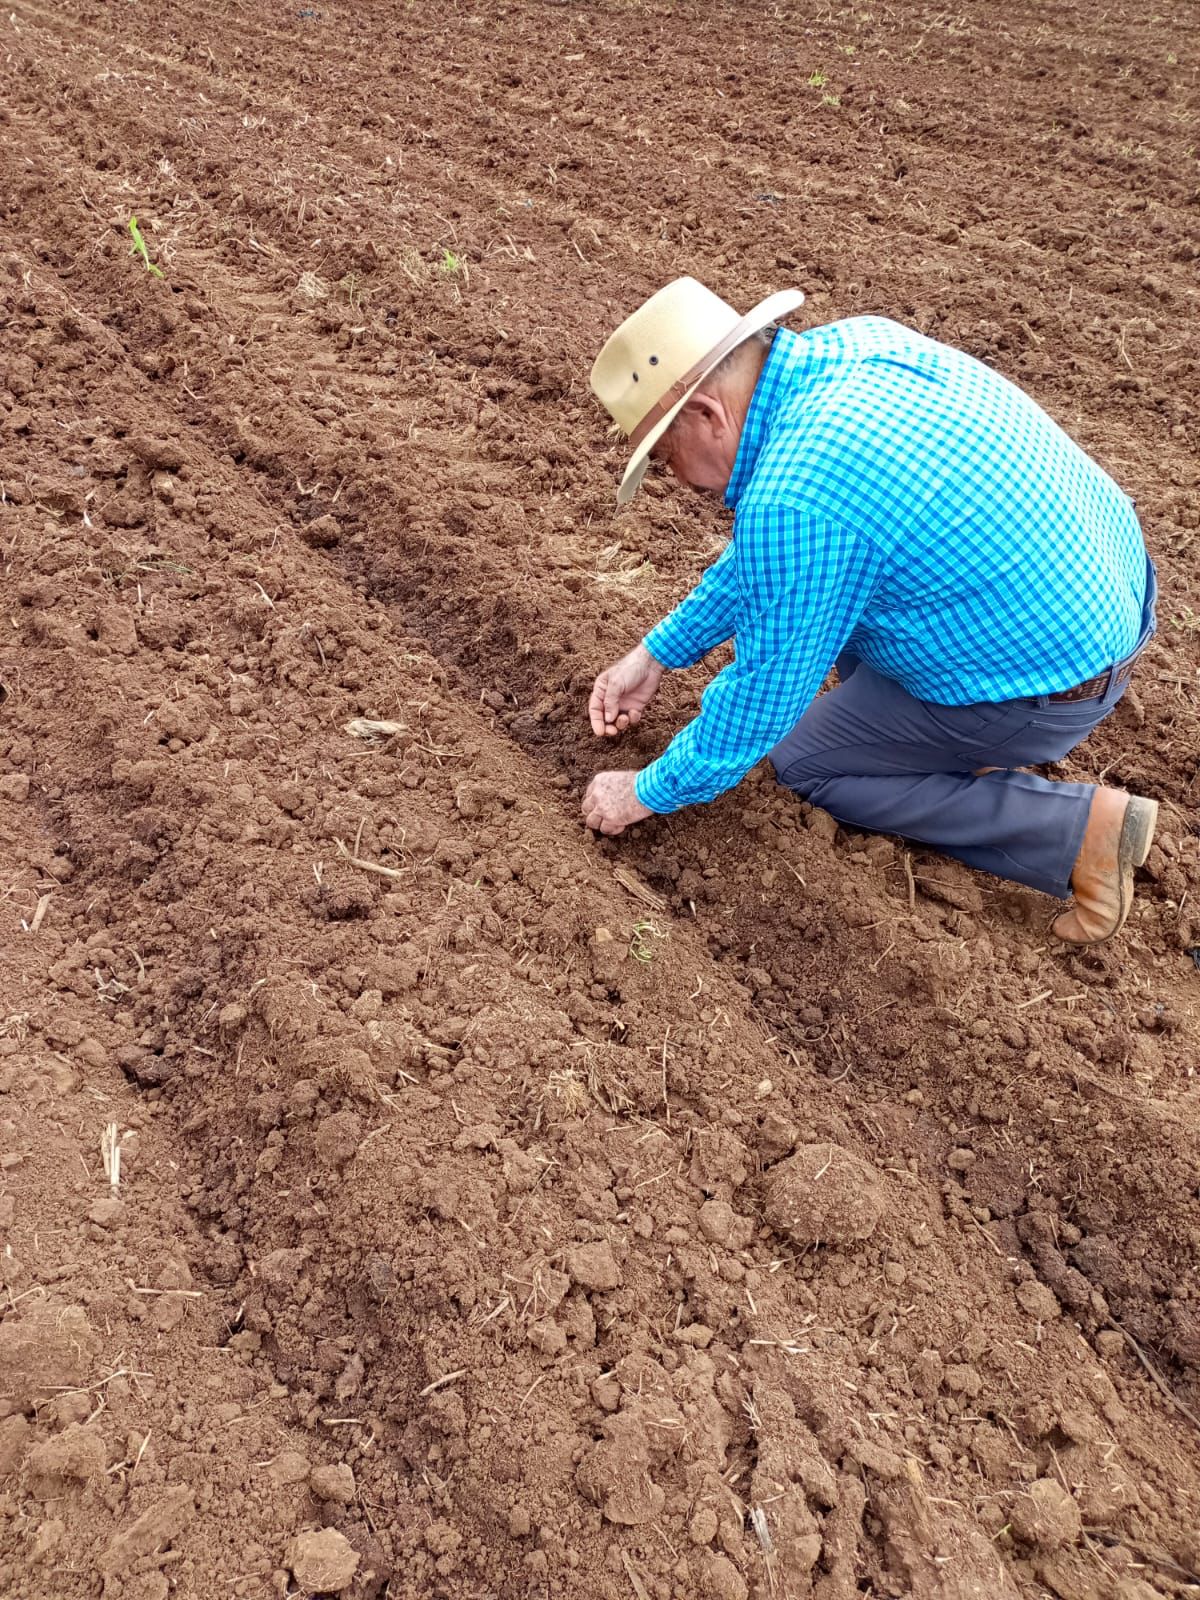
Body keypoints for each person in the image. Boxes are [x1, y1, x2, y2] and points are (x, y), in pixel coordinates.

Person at [581, 276, 1159, 945]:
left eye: (664, 456)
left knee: (805, 760)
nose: (675, 479)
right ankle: (941, 745)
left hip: (1056, 683)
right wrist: (658, 653)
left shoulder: (794, 498)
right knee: (836, 597)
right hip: (1107, 592)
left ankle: (1079, 833)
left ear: (708, 415)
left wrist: (645, 792)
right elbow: (776, 564)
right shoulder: (856, 345)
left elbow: (759, 703)